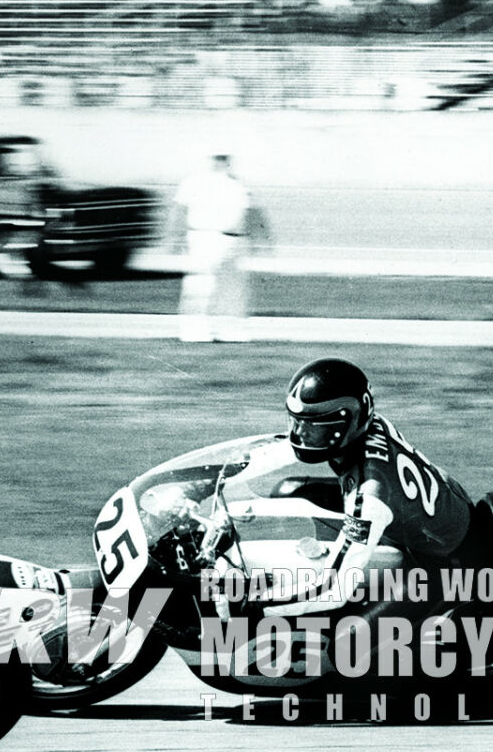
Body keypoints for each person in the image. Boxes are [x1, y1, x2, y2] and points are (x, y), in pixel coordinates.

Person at [255, 359, 473, 618]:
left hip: (440, 561)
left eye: (313, 425)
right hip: (430, 512)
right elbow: (280, 450)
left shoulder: (371, 494)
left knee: (350, 647)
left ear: (345, 423)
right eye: (296, 421)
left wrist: (257, 605)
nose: (299, 433)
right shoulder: (367, 425)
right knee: (288, 490)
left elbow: (333, 590)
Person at [173, 152, 268, 342]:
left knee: (233, 290)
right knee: (200, 286)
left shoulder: (238, 185)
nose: (221, 162)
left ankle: (232, 332)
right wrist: (176, 238)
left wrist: (257, 241)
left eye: (224, 159)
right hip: (202, 237)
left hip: (234, 240)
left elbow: (250, 214)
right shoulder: (192, 183)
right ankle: (193, 331)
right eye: (218, 158)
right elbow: (179, 211)